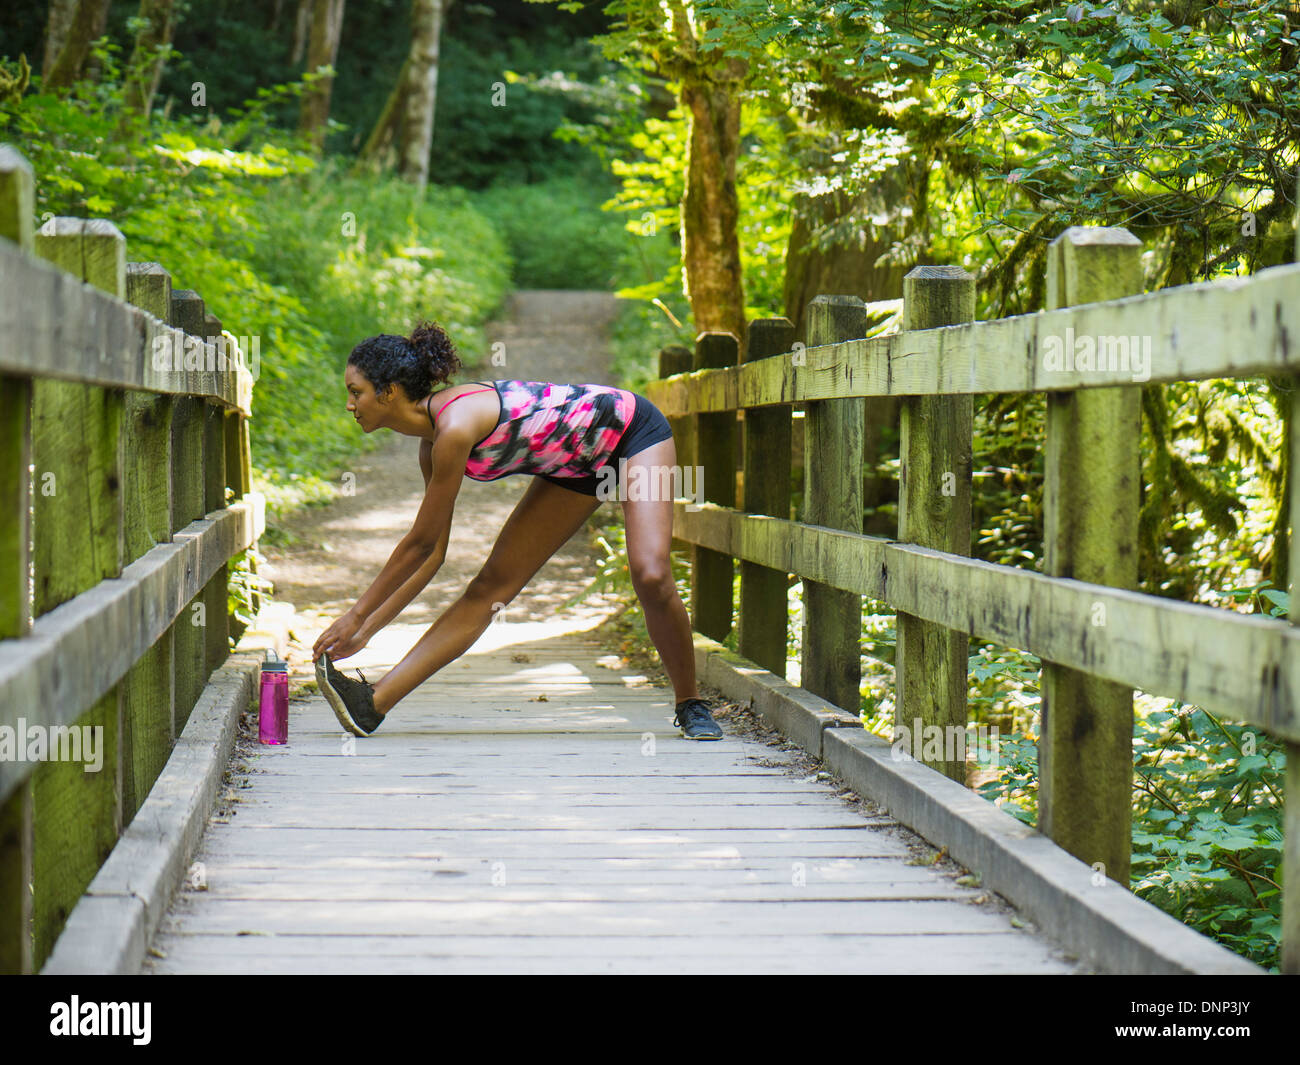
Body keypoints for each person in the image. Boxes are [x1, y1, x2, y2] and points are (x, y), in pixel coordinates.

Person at [310, 320, 723, 741]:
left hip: (632, 433)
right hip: (575, 467)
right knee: (490, 588)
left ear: (389, 392)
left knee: (650, 573)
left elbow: (418, 545)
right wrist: (365, 630)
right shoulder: (433, 447)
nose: (350, 404)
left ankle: (690, 703)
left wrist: (356, 617)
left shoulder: (454, 427)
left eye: (355, 391)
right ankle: (372, 704)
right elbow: (433, 553)